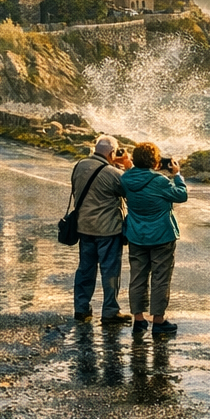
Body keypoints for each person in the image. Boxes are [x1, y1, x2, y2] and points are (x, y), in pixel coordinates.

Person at [120, 142, 187, 338]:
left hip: (136, 235)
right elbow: (182, 196)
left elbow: (129, 188)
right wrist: (177, 175)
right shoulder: (160, 181)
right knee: (160, 279)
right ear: (155, 161)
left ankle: (138, 320)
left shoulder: (126, 179)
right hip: (161, 236)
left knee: (137, 278)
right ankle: (158, 321)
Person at [70, 135, 130, 325]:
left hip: (84, 226)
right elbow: (128, 190)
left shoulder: (80, 165)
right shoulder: (112, 173)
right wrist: (126, 167)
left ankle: (81, 308)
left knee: (85, 270)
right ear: (112, 153)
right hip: (108, 230)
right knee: (110, 272)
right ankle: (110, 310)